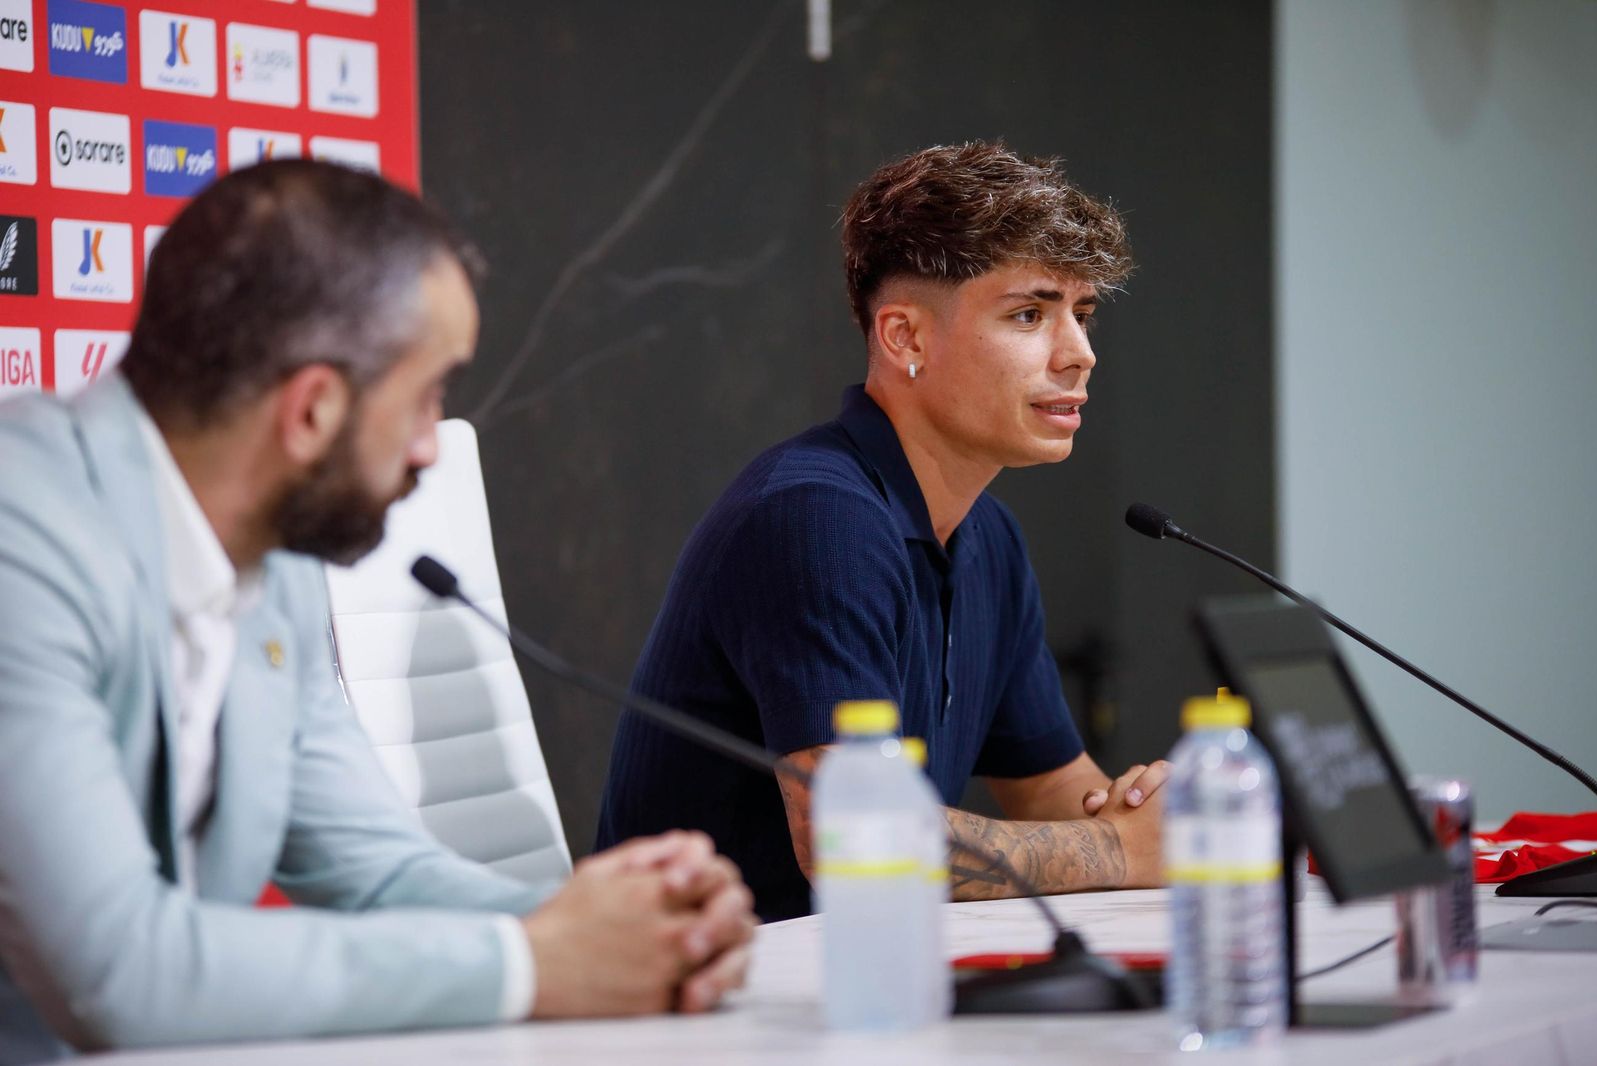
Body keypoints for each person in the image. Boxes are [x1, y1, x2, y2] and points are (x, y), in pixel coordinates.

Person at [0, 160, 753, 1062]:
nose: (435, 448)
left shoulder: (269, 563)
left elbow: (380, 873)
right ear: (313, 410)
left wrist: (635, 930)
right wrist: (531, 963)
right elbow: (118, 973)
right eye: (430, 396)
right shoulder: (23, 534)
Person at [596, 142, 1171, 922]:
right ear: (905, 339)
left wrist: (1157, 816)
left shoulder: (987, 537)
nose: (1080, 354)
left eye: (1083, 313)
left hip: (857, 974)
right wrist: (1119, 850)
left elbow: (1044, 784)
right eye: (1030, 314)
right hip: (716, 999)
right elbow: (853, 845)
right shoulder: (813, 520)